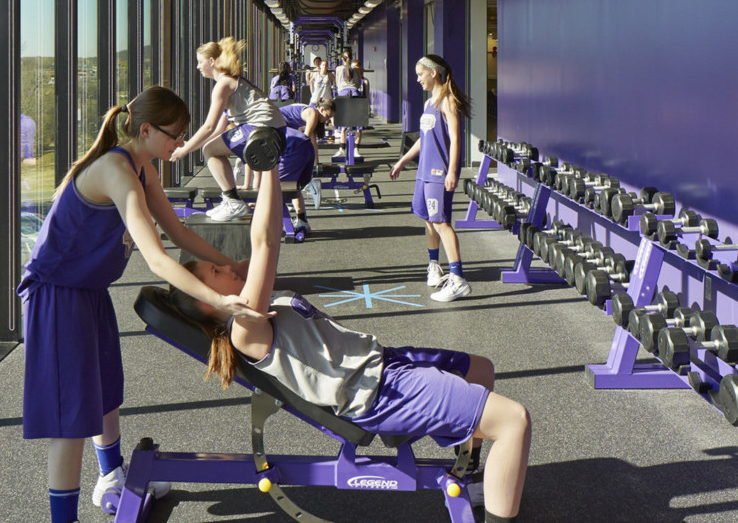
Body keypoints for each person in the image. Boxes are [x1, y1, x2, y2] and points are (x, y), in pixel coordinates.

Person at [165, 165, 532, 523]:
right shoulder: (245, 328)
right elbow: (266, 244)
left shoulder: (244, 303)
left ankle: (474, 479)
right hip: (375, 392)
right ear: (207, 302)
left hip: (382, 364)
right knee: (514, 421)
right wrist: (264, 168)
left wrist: (271, 170)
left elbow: (269, 232)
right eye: (215, 272)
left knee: (480, 369)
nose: (226, 267)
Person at [19, 86, 266, 523]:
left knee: (105, 392)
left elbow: (180, 234)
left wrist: (234, 267)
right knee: (71, 421)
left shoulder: (142, 166)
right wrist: (219, 299)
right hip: (57, 297)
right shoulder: (116, 169)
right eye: (175, 135)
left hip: (88, 290)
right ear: (147, 129)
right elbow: (156, 258)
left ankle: (110, 476)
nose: (180, 143)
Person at [171, 37, 288, 222]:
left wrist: (184, 151)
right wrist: (190, 145)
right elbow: (217, 131)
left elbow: (208, 126)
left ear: (211, 62)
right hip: (273, 131)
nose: (198, 67)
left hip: (262, 130)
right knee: (211, 147)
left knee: (209, 150)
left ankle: (233, 202)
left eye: (200, 62)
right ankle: (230, 201)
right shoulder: (233, 83)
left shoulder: (223, 85)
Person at [390, 54, 473, 302]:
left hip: (438, 174)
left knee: (440, 223)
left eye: (420, 74)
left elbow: (457, 139)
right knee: (428, 220)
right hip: (423, 173)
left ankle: (458, 280)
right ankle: (435, 268)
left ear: (433, 73)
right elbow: (423, 139)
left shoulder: (447, 102)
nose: (418, 79)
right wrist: (403, 160)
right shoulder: (429, 103)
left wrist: (452, 171)